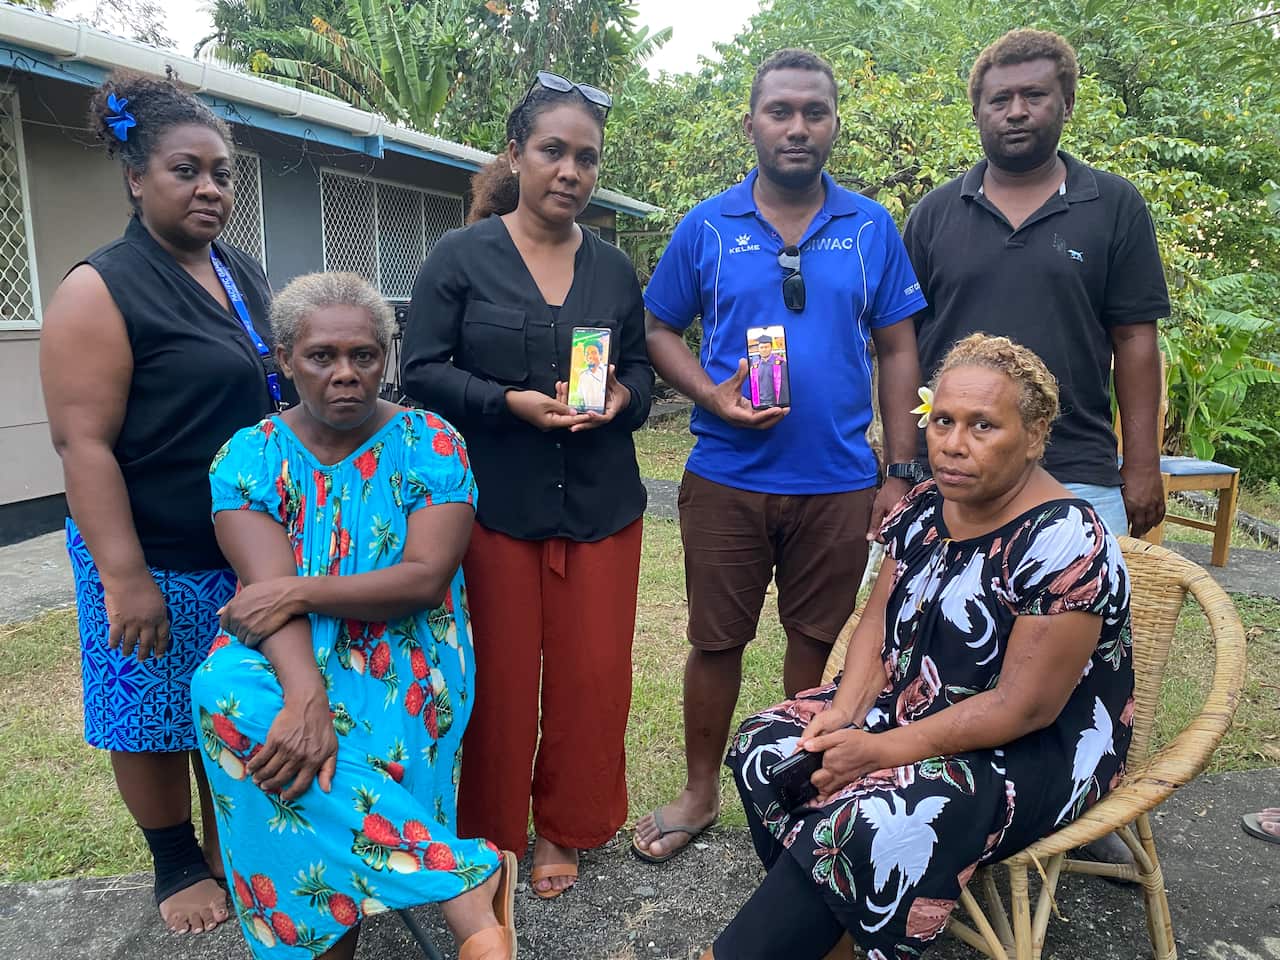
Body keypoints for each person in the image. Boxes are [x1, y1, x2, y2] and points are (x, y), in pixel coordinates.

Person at [700, 334, 1135, 960]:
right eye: (944, 421)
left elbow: (1024, 708)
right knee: (768, 748)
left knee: (872, 813)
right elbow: (876, 625)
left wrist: (877, 750)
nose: (953, 444)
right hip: (915, 704)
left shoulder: (1065, 540)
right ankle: (835, 932)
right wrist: (843, 713)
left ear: (1036, 435)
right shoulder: (928, 504)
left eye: (983, 426)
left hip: (1032, 747)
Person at [635, 48, 926, 863]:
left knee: (811, 642)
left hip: (838, 481)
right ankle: (698, 793)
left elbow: (899, 348)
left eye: (815, 112)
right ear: (752, 122)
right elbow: (659, 328)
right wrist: (713, 394)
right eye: (780, 112)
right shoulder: (708, 225)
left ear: (834, 122)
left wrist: (899, 470)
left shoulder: (869, 228)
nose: (798, 128)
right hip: (726, 475)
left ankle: (793, 789)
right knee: (715, 641)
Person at [192, 272, 517, 960]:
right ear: (284, 360)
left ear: (385, 359)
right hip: (284, 648)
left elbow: (425, 581)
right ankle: (463, 883)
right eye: (322, 357)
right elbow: (264, 600)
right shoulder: (249, 455)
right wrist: (306, 690)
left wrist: (301, 592)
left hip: (407, 647)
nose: (346, 374)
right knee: (223, 693)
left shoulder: (430, 442)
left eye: (364, 356)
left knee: (348, 732)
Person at [401, 72, 652, 899]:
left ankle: (567, 829)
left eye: (586, 157)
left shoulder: (614, 268)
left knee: (591, 677)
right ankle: (490, 832)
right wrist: (503, 403)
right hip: (493, 508)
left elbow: (643, 368)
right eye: (552, 151)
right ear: (516, 154)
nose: (570, 171)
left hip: (600, 507)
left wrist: (621, 397)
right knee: (496, 678)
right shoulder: (459, 256)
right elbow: (421, 371)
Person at [39, 70, 279, 934]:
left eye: (223, 173)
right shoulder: (99, 288)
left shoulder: (236, 270)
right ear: (137, 177)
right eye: (188, 170)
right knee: (149, 710)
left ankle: (239, 846)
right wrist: (124, 574)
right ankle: (176, 861)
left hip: (241, 547)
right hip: (147, 547)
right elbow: (84, 444)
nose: (211, 187)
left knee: (237, 704)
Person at [903, 29, 1169, 541]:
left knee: (1075, 618)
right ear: (978, 111)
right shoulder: (935, 214)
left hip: (1075, 471)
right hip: (949, 469)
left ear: (1067, 104)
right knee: (934, 618)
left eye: (1034, 96)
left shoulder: (1114, 206)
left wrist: (1141, 464)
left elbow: (1135, 339)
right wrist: (902, 463)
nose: (1016, 111)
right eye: (999, 99)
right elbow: (901, 344)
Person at [749, 333, 789, 408]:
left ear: (771, 348)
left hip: (775, 403)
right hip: (759, 404)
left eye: (766, 347)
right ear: (758, 349)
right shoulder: (755, 367)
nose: (764, 350)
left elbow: (785, 387)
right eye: (761, 347)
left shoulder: (781, 364)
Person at [577, 337, 608, 410]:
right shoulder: (582, 376)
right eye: (587, 354)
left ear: (600, 356)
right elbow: (581, 400)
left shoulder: (606, 372)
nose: (590, 356)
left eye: (593, 353)